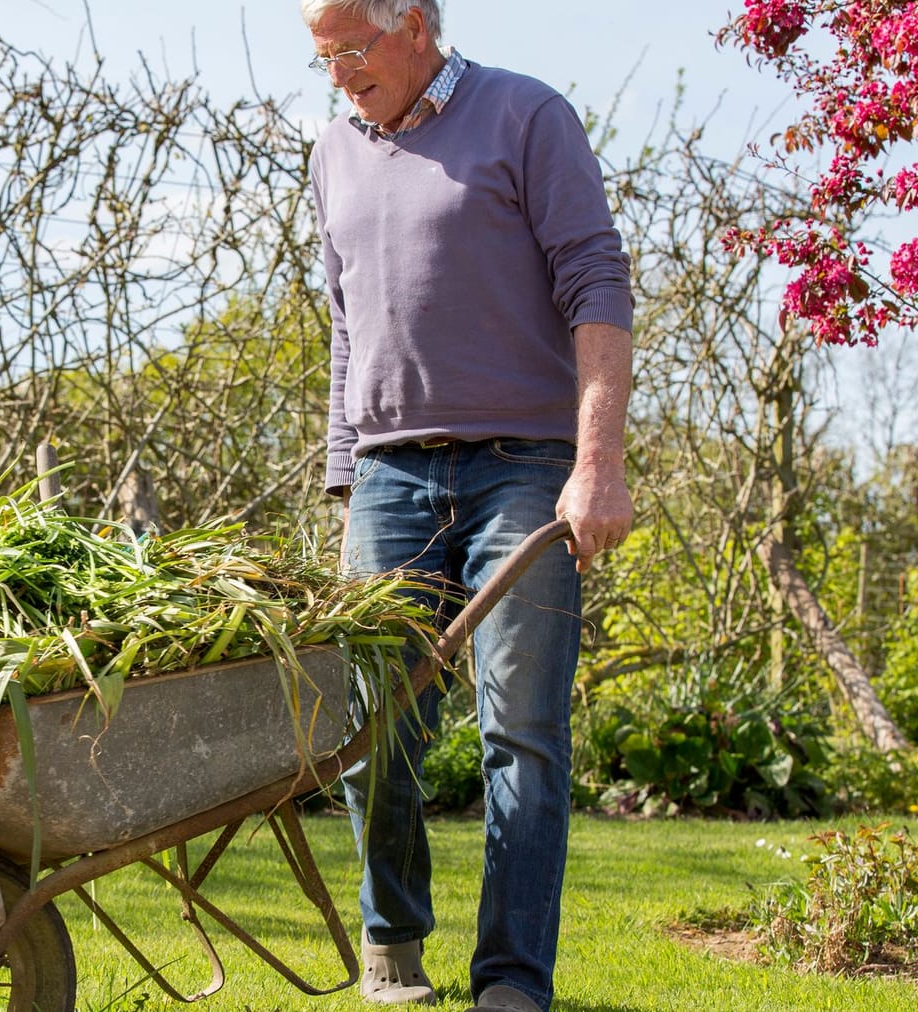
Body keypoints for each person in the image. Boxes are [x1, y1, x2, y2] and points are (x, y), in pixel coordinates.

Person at [301, 2, 635, 1011]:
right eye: (322, 58)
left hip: (523, 469)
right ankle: (392, 936)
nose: (337, 74)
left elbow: (597, 285)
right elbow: (347, 325)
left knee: (520, 730)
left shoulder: (527, 116)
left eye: (350, 49)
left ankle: (511, 980)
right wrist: (347, 477)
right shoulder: (333, 152)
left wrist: (598, 463)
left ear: (412, 24)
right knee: (373, 727)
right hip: (389, 476)